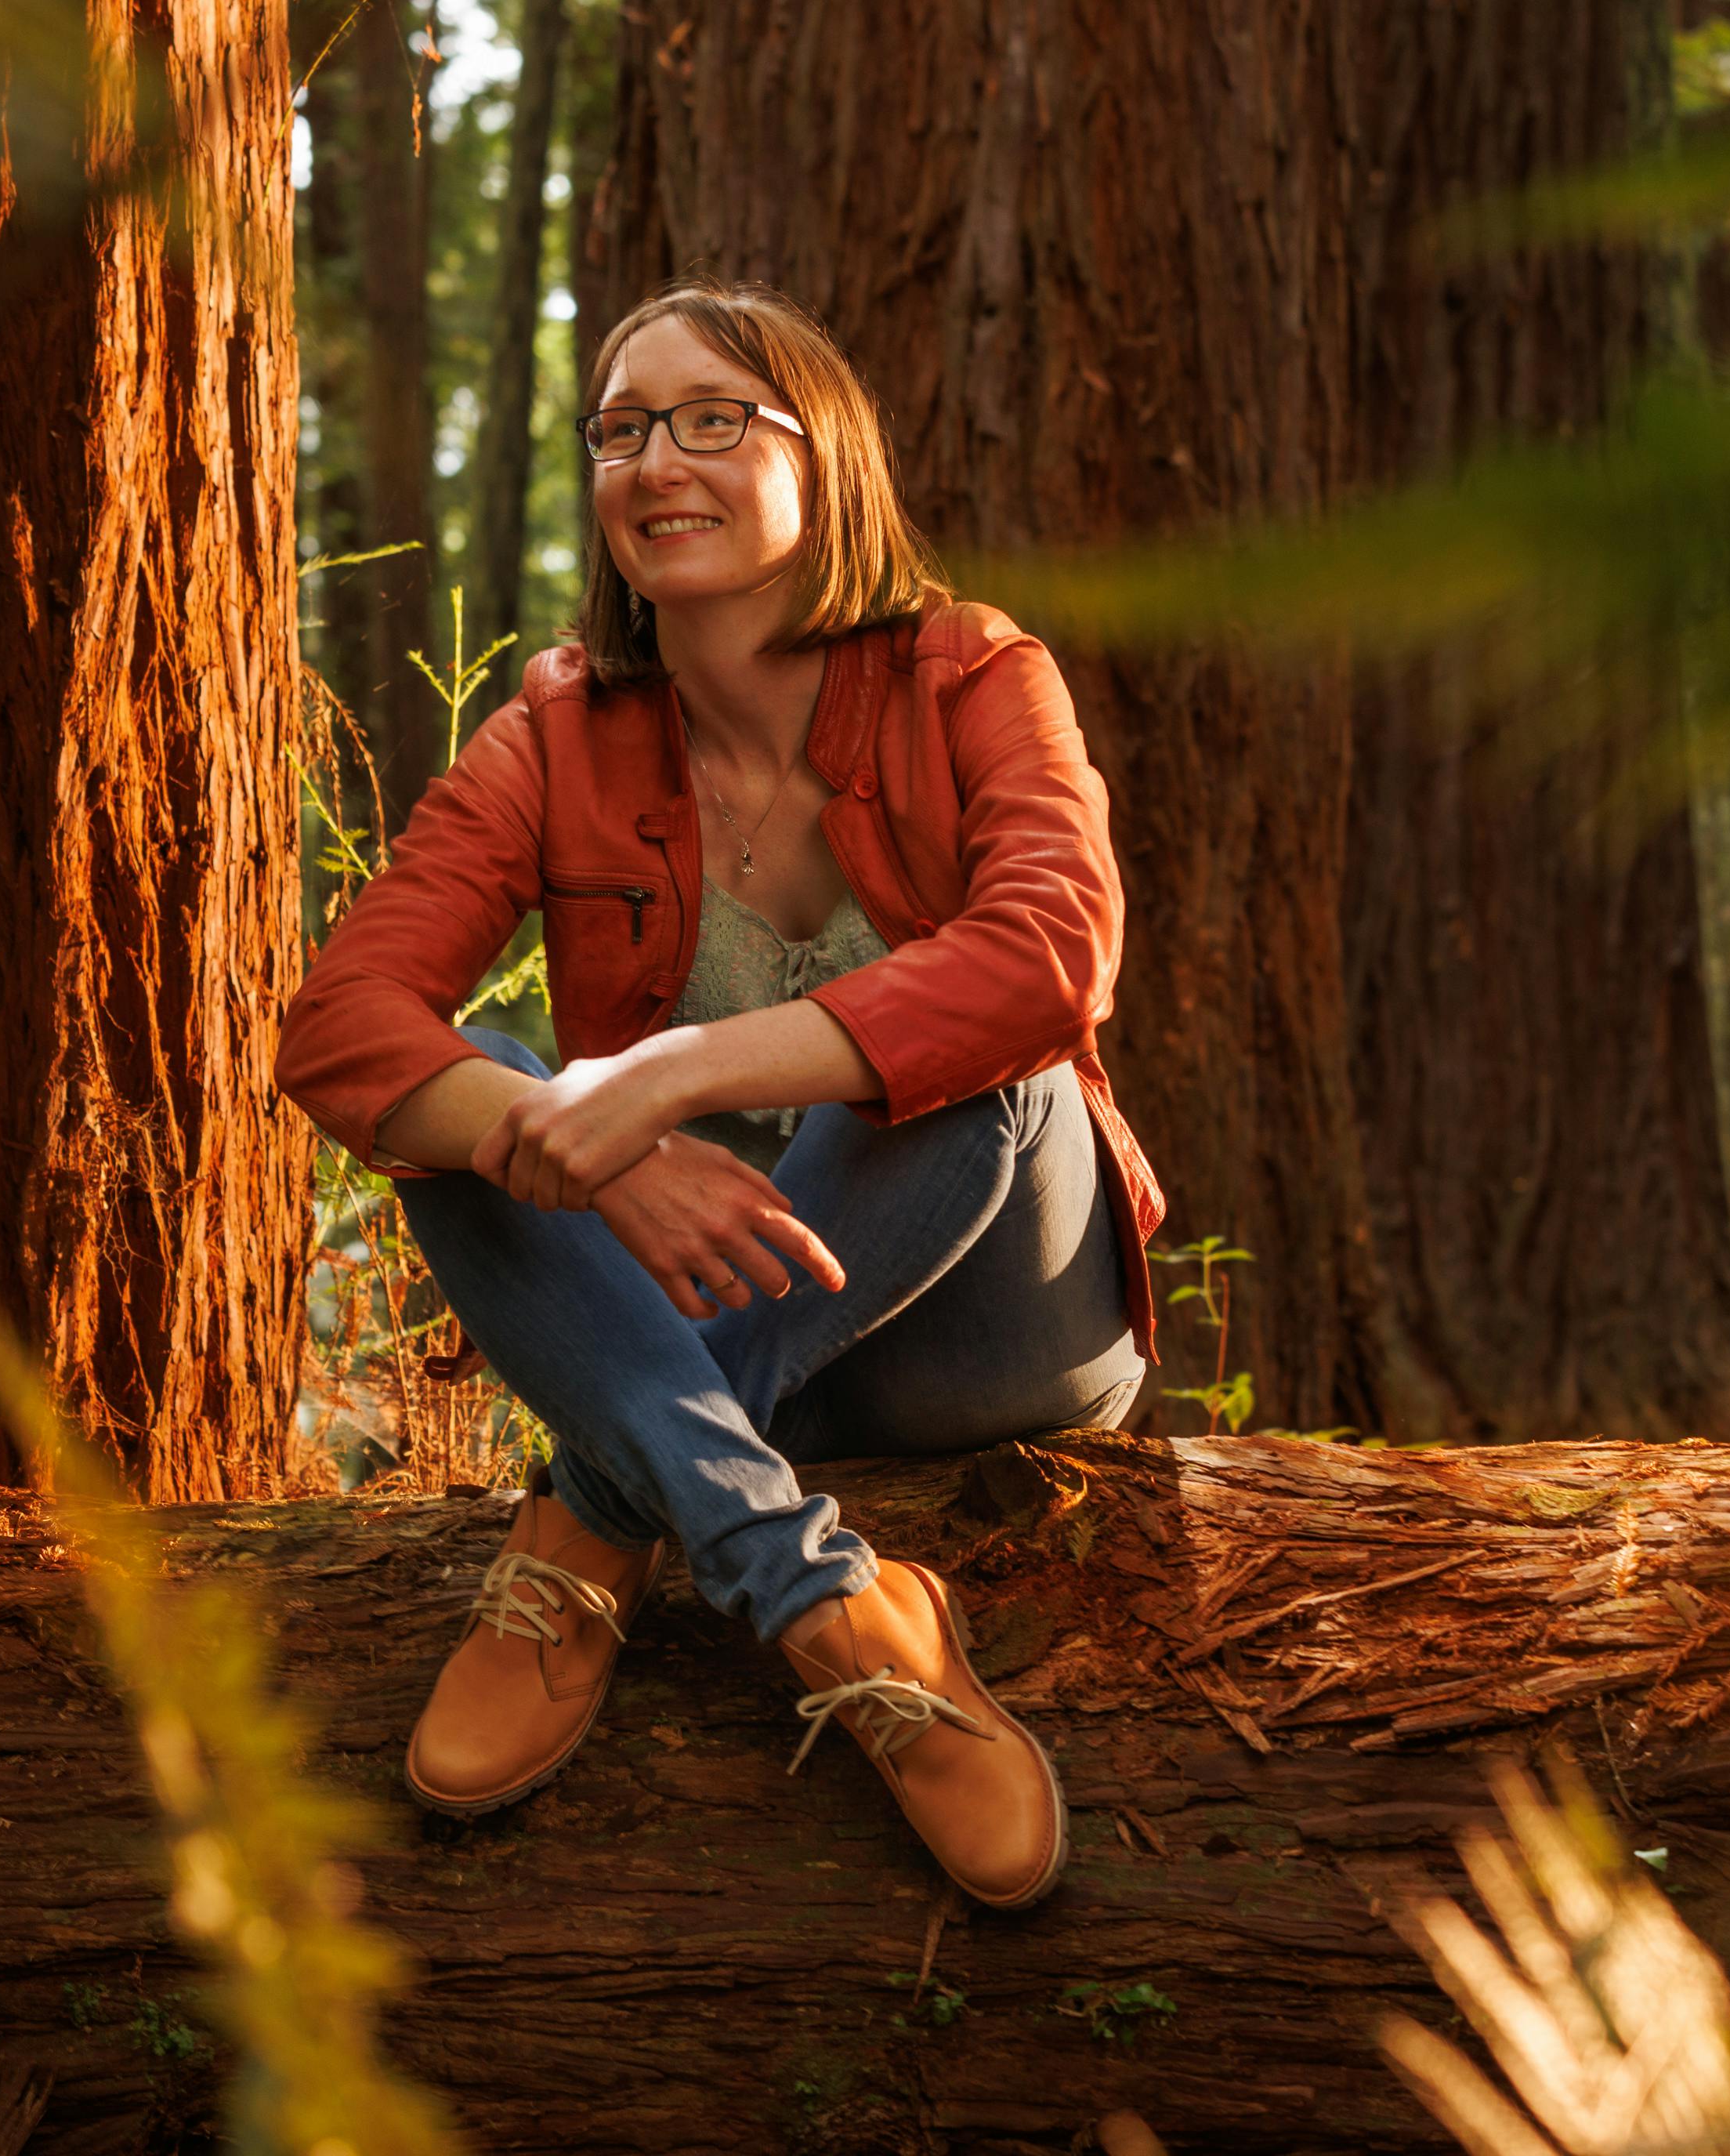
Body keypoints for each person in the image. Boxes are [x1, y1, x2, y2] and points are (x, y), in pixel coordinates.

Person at [274, 277, 1164, 1911]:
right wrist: (604, 1159)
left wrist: (673, 1073)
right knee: (476, 1102)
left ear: (823, 456)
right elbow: (341, 1027)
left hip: (989, 1313)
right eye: (620, 429)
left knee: (990, 1073)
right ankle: (831, 1608)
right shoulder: (557, 736)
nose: (654, 460)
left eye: (710, 419)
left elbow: (1049, 959)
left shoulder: (975, 674)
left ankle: (594, 1523)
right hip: (708, 1327)